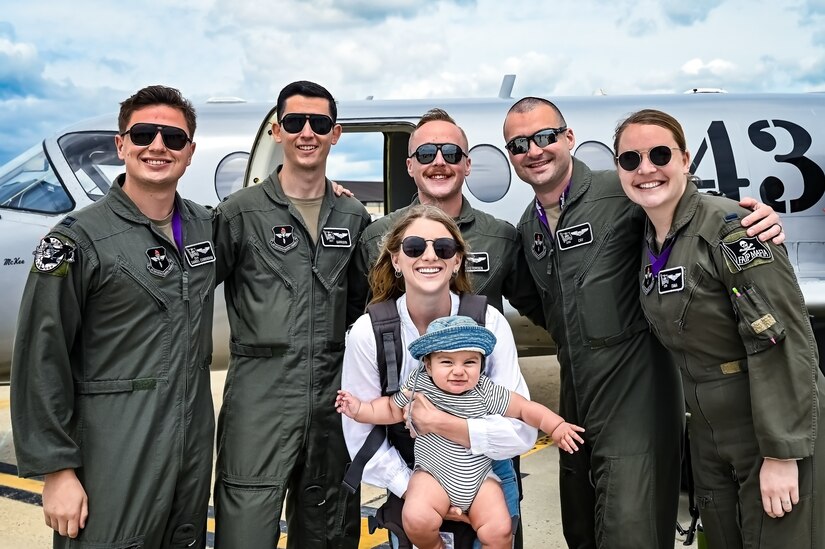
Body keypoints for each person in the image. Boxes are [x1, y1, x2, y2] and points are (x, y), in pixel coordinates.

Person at [502, 96, 785, 548]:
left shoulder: (621, 194)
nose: (534, 150)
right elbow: (537, 302)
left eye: (545, 136)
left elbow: (688, 213)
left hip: (636, 387)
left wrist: (748, 221)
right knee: (582, 527)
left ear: (568, 138)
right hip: (578, 391)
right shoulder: (530, 227)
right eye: (519, 144)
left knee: (629, 528)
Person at [11, 85, 215, 548]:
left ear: (189, 152)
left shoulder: (206, 227)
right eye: (143, 133)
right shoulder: (77, 240)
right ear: (121, 144)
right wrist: (57, 471)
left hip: (189, 446)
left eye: (173, 138)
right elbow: (40, 358)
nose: (158, 146)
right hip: (113, 448)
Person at [613, 108, 824, 548]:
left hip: (765, 422)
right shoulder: (650, 238)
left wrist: (782, 453)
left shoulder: (732, 229)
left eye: (659, 154)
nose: (645, 168)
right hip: (709, 431)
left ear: (686, 161)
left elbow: (782, 340)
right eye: (630, 160)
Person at [357, 108, 542, 546]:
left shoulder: (500, 237)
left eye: (450, 152)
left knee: (497, 534)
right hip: (419, 449)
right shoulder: (376, 237)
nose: (438, 160)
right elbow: (365, 315)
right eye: (425, 152)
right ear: (409, 166)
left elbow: (541, 306)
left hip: (487, 440)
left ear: (466, 163)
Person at [212, 81, 370, 548]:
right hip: (260, 401)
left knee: (328, 530)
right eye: (296, 122)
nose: (307, 133)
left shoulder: (352, 215)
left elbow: (363, 307)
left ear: (335, 134)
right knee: (245, 530)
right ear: (278, 130)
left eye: (319, 124)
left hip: (331, 402)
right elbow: (191, 289)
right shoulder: (240, 213)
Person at [337, 315, 584, 549]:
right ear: (428, 365)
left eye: (469, 362)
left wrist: (556, 425)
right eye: (447, 362)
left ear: (481, 364)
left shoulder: (485, 391)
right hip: (432, 477)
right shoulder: (419, 385)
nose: (459, 370)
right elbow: (390, 408)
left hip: (479, 480)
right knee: (415, 517)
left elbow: (525, 409)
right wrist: (360, 409)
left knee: (500, 529)